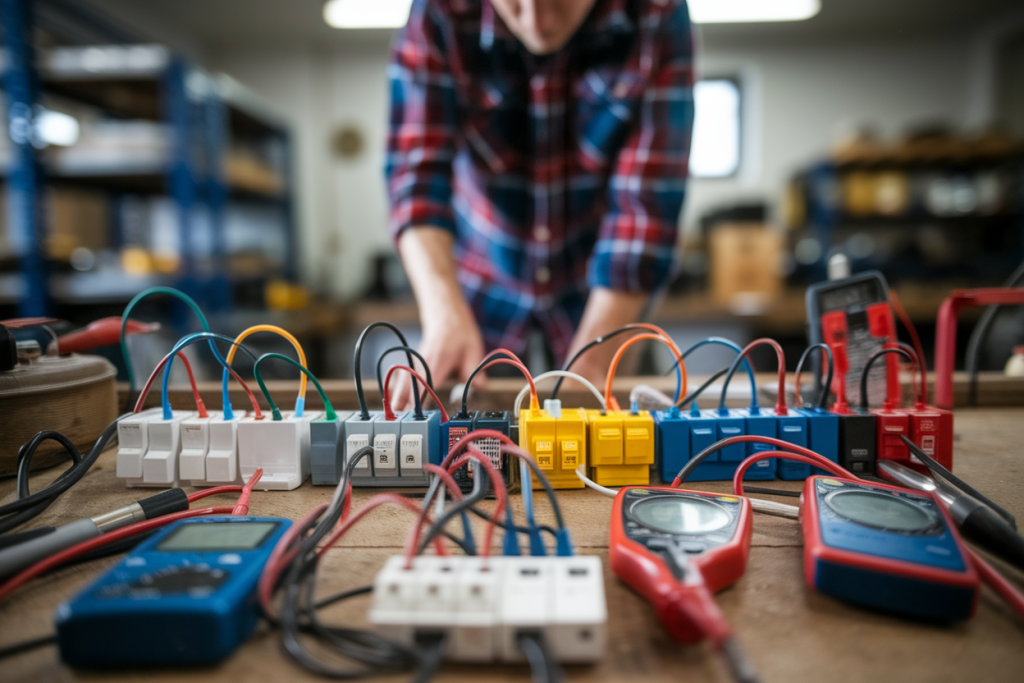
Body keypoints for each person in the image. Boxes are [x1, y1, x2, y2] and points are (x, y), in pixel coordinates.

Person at [386, 0, 694, 408]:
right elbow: (417, 181)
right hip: (478, 288)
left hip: (606, 294)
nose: (536, 21)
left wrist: (596, 358)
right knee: (467, 428)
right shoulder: (439, 10)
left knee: (621, 429)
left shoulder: (657, 11)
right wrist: (442, 314)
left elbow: (647, 205)